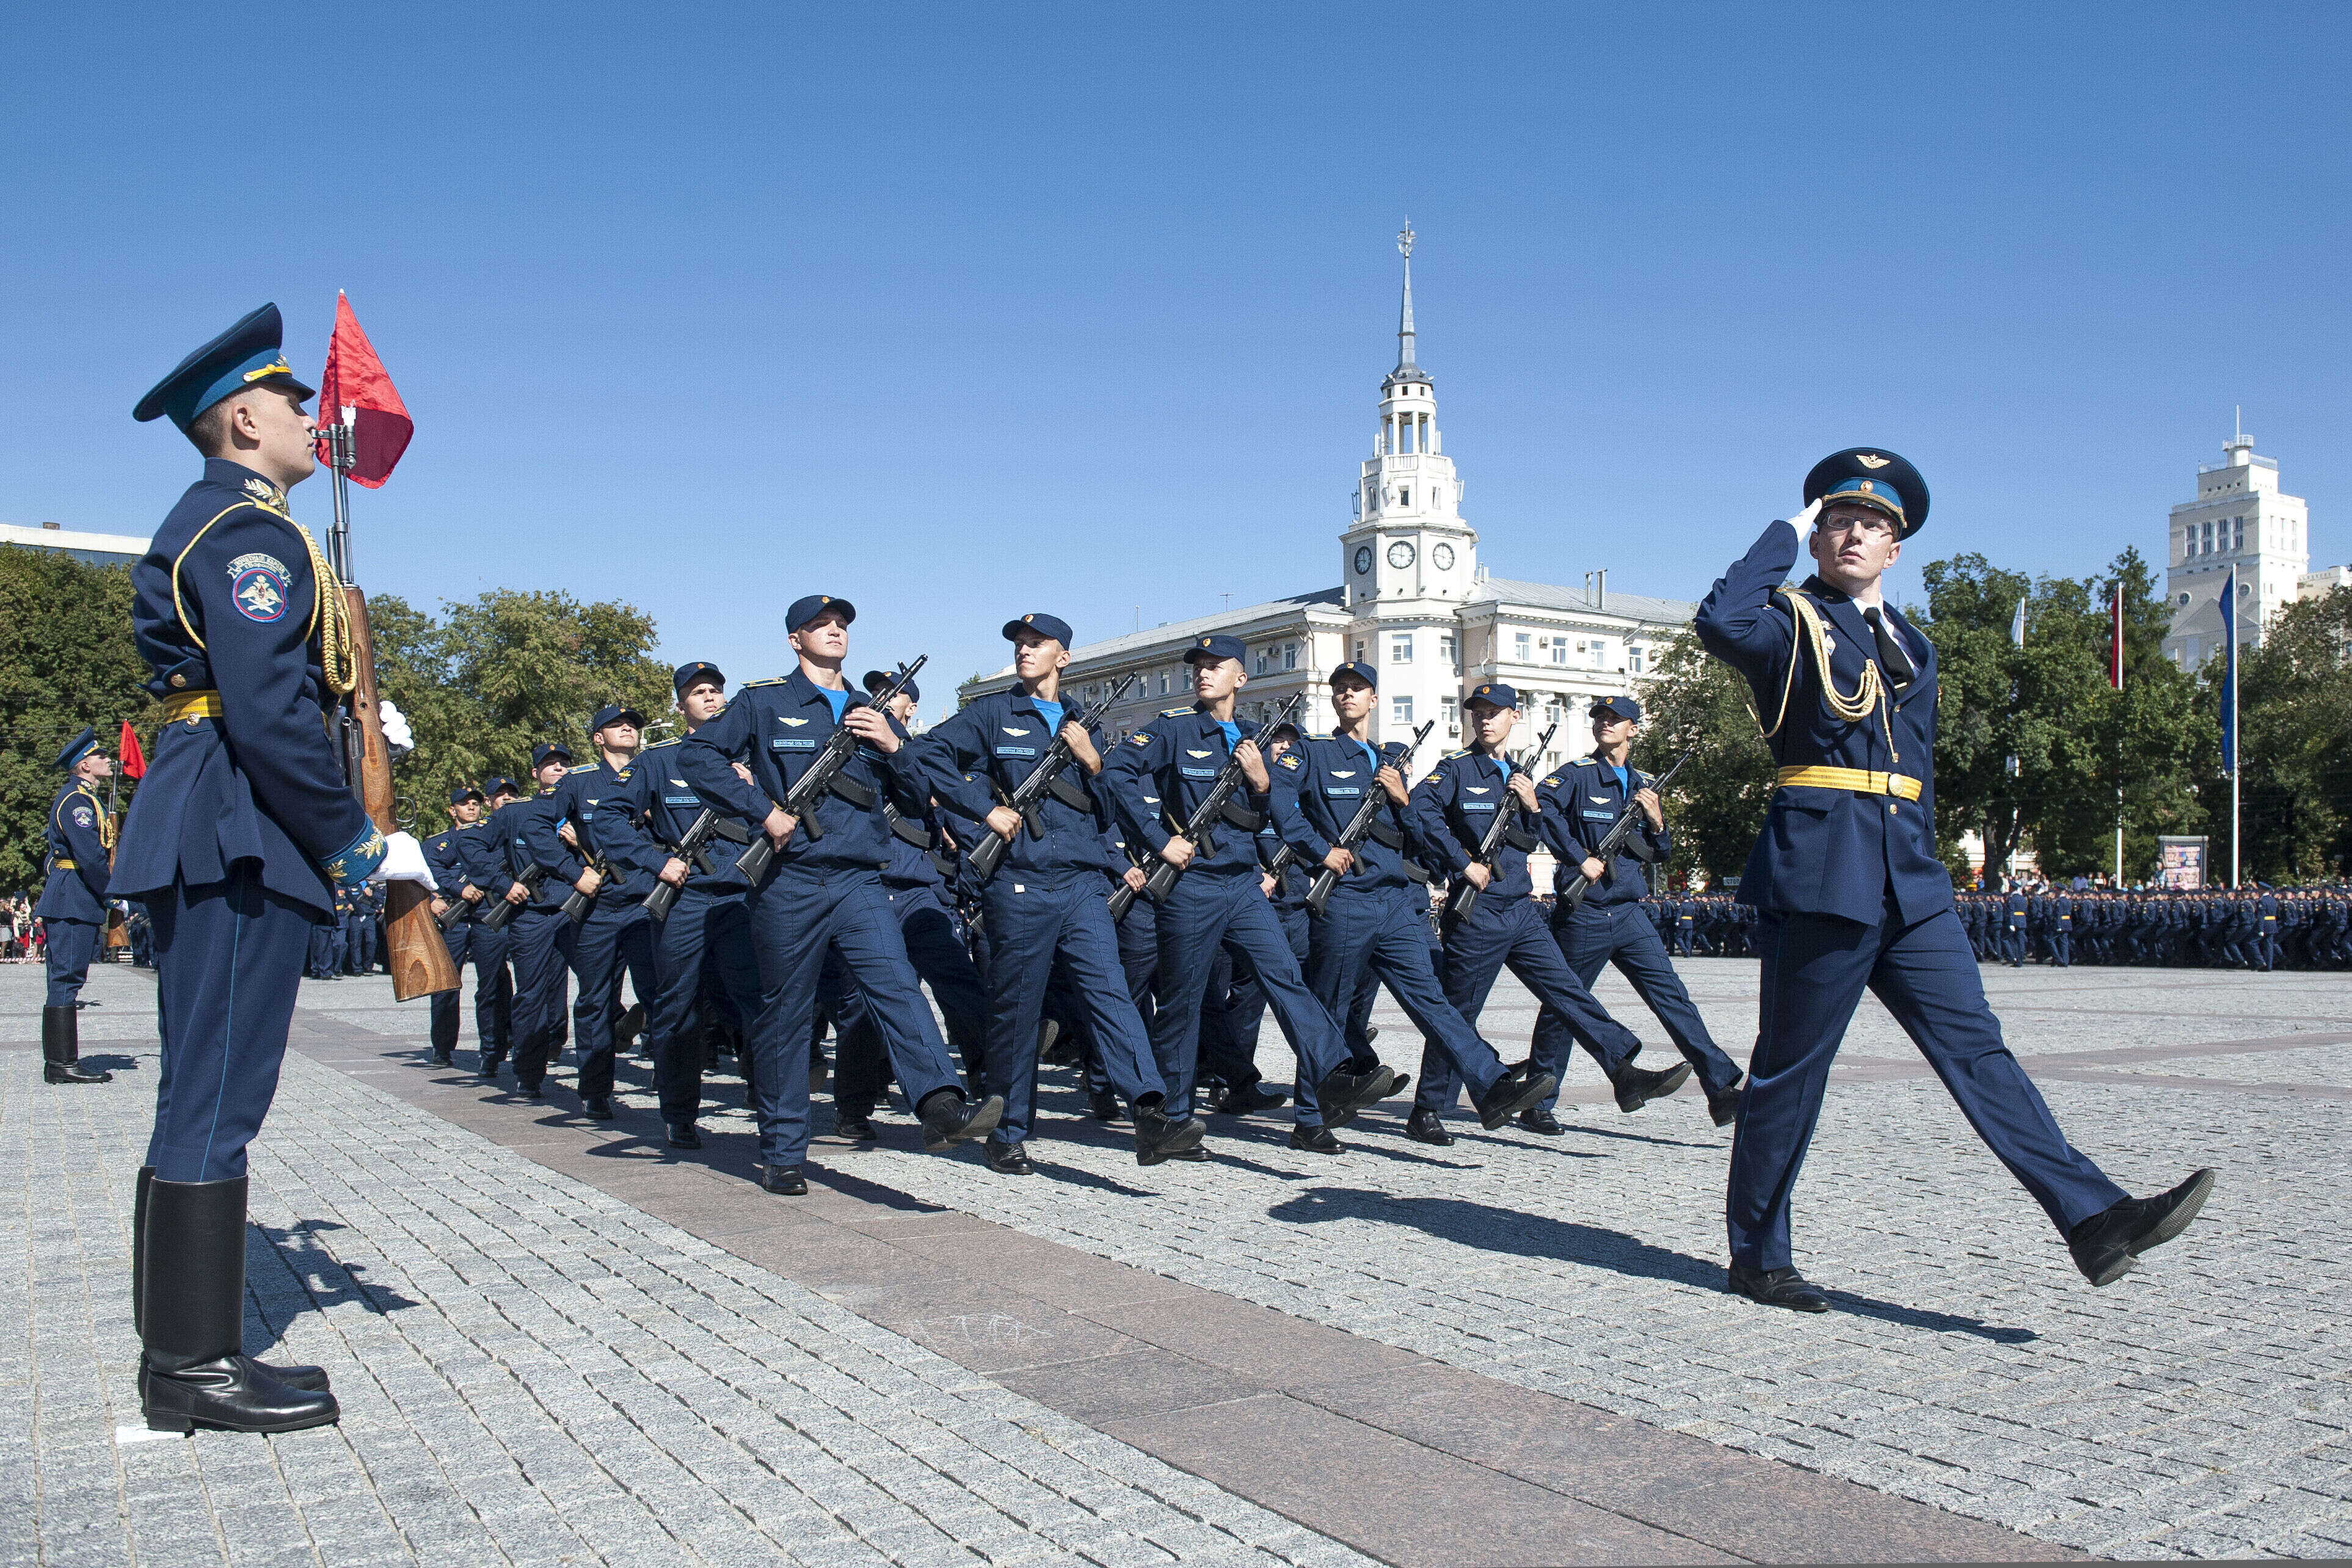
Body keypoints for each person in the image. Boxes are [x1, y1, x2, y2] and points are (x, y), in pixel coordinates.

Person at [1694, 446, 2214, 1311]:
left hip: (1908, 878)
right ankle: (1756, 1254)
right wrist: (1778, 535)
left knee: (1977, 1050)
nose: (1852, 533)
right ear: (1815, 536)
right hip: (1823, 871)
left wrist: (1929, 869)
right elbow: (1718, 621)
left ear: (1896, 548)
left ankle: (2093, 1220)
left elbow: (1919, 769)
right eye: (1836, 520)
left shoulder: (1911, 645)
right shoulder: (1788, 623)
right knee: (1789, 1074)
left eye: (1872, 525)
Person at [115, 303, 435, 1434]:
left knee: (202, 1086)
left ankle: (181, 1354)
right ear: (245, 416)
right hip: (238, 820)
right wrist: (353, 835)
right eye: (295, 402)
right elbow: (262, 706)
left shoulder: (230, 523)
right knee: (216, 1093)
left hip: (221, 811)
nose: (311, 417)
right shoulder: (248, 534)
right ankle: (193, 1370)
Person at [677, 595, 1003, 1195]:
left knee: (897, 985)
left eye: (840, 625)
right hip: (789, 879)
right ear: (794, 641)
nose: (833, 631)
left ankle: (940, 1105)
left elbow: (913, 798)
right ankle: (781, 1150)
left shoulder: (865, 708)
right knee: (786, 1013)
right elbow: (697, 756)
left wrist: (893, 745)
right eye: (818, 626)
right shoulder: (763, 702)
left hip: (858, 877)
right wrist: (762, 813)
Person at [915, 612, 1208, 1170]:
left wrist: (1095, 763)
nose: (1025, 651)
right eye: (1019, 644)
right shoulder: (993, 713)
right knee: (1017, 1012)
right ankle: (1006, 1130)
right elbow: (928, 755)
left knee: (1111, 995)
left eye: (1036, 644)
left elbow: (1107, 810)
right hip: (1019, 881)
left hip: (1080, 883)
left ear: (1063, 657)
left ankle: (1150, 1114)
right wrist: (985, 810)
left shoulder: (1084, 723)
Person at [1104, 633, 1397, 1149]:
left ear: (1241, 679)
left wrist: (1261, 783)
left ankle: (1335, 1071)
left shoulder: (1257, 739)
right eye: (1199, 665)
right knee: (1181, 1004)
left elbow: (1271, 816)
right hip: (1191, 885)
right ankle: (1170, 1121)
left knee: (1285, 977)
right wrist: (1157, 841)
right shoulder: (1173, 729)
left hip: (1242, 884)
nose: (1203, 672)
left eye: (1216, 666)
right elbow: (1117, 774)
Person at [1269, 661, 1553, 1152]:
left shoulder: (1388, 762)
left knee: (1433, 1004)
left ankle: (1491, 1085)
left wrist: (1401, 799)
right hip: (1347, 901)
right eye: (1340, 690)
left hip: (1398, 902)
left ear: (1374, 700)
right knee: (1332, 1009)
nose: (1347, 696)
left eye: (1357, 689)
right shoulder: (1311, 753)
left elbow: (1419, 838)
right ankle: (1309, 1118)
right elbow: (1279, 805)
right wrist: (1320, 852)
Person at [1407, 684, 1688, 1142]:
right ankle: (1427, 1109)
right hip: (1477, 913)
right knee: (1459, 1014)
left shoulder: (1519, 774)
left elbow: (1530, 835)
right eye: (1477, 712)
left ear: (1513, 718)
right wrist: (1462, 863)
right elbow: (1420, 812)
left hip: (1521, 909)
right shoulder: (1455, 770)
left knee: (1567, 992)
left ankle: (1623, 1070)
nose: (1484, 719)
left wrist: (1534, 807)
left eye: (1494, 712)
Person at [1534, 695, 1746, 1129]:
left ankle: (1721, 1088)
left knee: (1673, 999)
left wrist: (1657, 819)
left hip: (1630, 913)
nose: (1605, 724)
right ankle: (1539, 1099)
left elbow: (1659, 853)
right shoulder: (1575, 775)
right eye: (1599, 718)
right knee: (1565, 1007)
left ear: (1633, 729)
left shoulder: (1645, 783)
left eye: (1615, 719)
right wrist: (1577, 857)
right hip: (1585, 912)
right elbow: (1542, 810)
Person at [597, 661, 765, 1149]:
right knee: (678, 1008)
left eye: (715, 690)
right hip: (686, 899)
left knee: (759, 1001)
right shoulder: (658, 762)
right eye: (697, 693)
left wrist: (754, 791)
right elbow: (608, 819)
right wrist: (654, 861)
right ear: (681, 707)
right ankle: (679, 1113)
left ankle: (766, 1095)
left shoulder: (753, 756)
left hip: (741, 894)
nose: (709, 698)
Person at [826, 667, 991, 1134]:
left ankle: (990, 1081)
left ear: (910, 707)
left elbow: (942, 809)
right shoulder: (841, 745)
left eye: (892, 694)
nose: (882, 699)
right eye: (876, 692)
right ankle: (853, 1108)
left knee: (959, 981)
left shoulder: (915, 752)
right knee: (861, 1005)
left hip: (917, 886)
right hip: (867, 886)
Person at [528, 705, 660, 1119]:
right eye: (615, 725)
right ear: (598, 738)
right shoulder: (577, 783)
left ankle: (675, 1087)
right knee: (595, 1000)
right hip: (598, 906)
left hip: (646, 902)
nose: (627, 728)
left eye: (633, 725)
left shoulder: (654, 772)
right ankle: (596, 1089)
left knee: (663, 995)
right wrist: (572, 873)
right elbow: (535, 828)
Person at [495, 744, 580, 1095]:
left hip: (575, 907)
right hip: (531, 913)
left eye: (563, 764)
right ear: (535, 774)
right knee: (531, 994)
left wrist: (580, 841)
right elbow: (472, 848)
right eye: (550, 765)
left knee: (597, 984)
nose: (558, 769)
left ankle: (595, 1078)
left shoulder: (584, 807)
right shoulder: (515, 813)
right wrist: (503, 884)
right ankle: (529, 1072)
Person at [36, 727, 117, 1083]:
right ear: (84, 765)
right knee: (66, 978)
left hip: (73, 895)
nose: (108, 760)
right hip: (73, 897)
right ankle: (61, 1064)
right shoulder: (76, 801)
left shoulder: (84, 798)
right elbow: (89, 856)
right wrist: (112, 892)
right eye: (101, 756)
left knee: (67, 978)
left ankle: (59, 1063)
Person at [424, 785, 503, 1067]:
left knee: (492, 985)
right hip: (453, 919)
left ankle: (492, 1053)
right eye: (464, 804)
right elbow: (429, 873)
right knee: (445, 986)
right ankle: (442, 1048)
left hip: (486, 915)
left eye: (476, 803)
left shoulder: (492, 838)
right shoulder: (436, 843)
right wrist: (456, 890)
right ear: (451, 810)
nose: (471, 807)